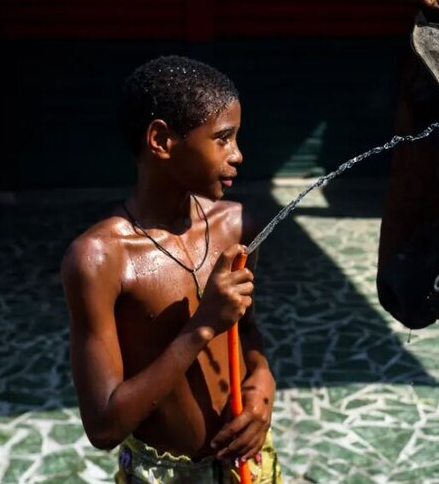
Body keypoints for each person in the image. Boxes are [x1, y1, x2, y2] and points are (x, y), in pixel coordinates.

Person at [61, 55, 281, 483]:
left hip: (247, 468)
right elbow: (104, 426)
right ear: (161, 140)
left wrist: (262, 381)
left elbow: (246, 330)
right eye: (223, 139)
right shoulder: (99, 259)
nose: (238, 155)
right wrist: (201, 327)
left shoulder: (236, 226)